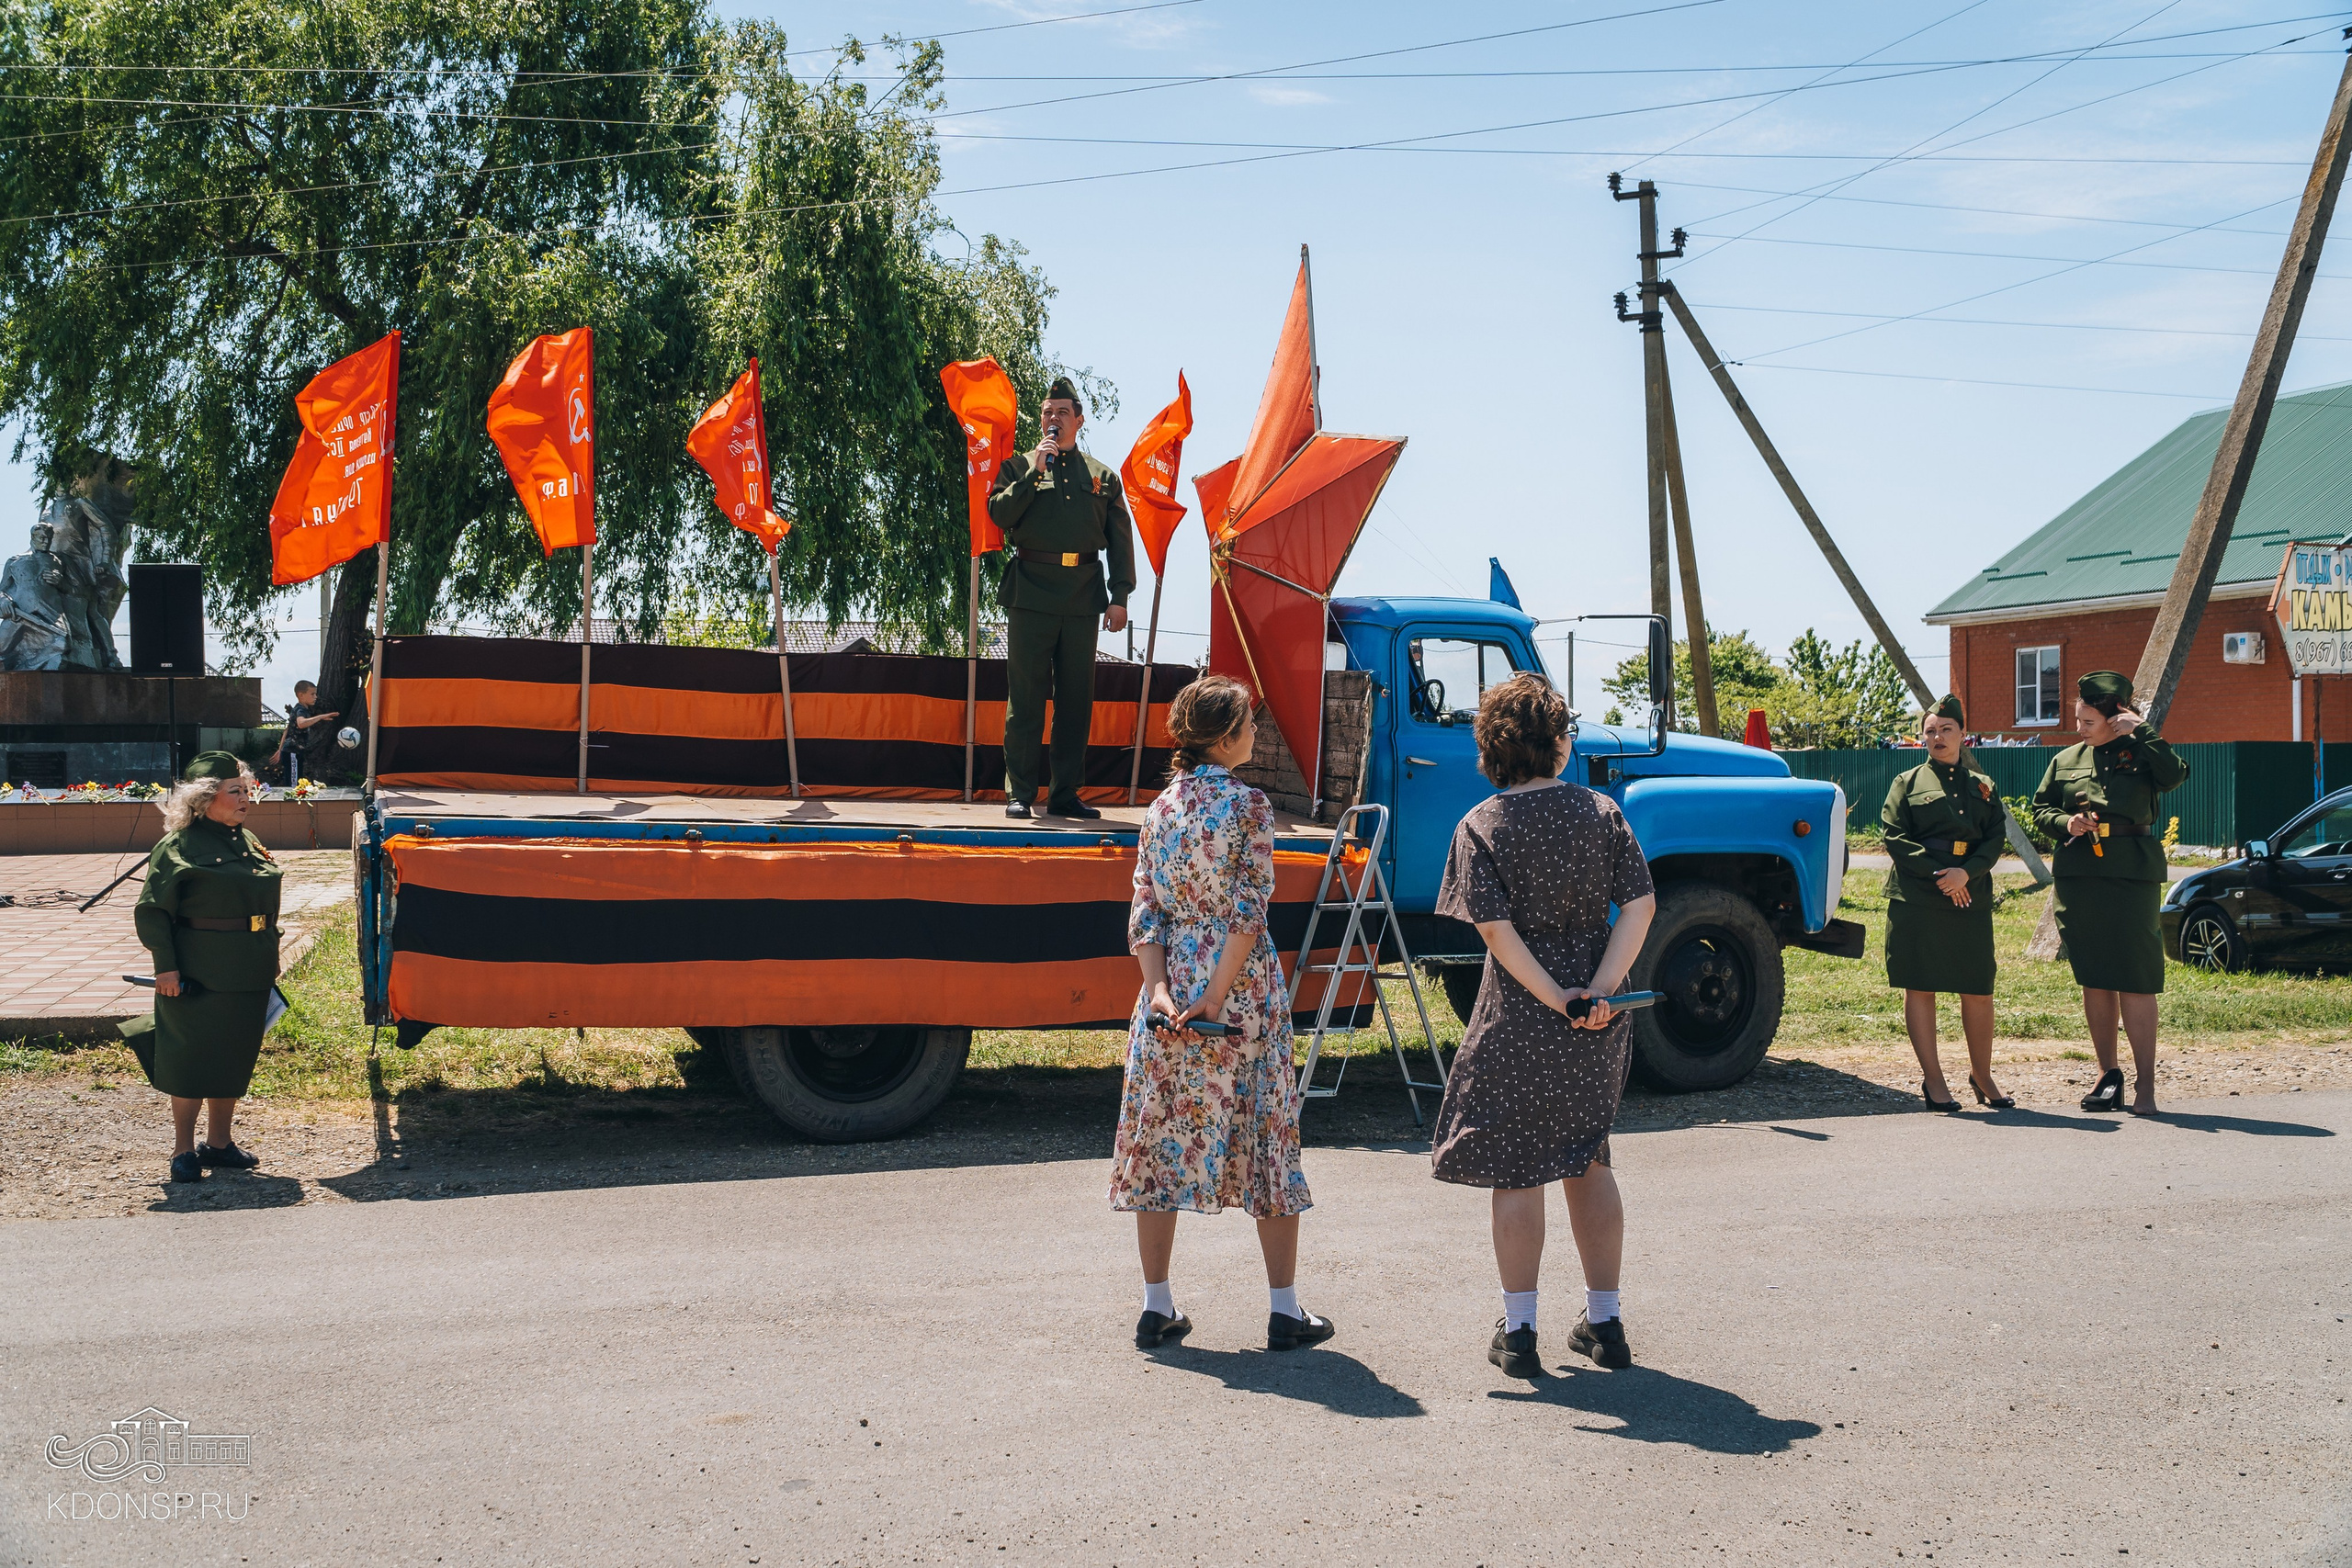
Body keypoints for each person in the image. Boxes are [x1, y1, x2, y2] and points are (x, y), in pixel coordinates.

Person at [1429, 672, 1657, 1378]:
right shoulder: (1602, 812)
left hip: (1520, 1016)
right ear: (1559, 745)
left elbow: (1496, 932)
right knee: (1590, 1158)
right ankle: (1606, 1319)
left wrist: (1556, 995)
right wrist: (1598, 991)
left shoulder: (1481, 825)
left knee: (1517, 1169)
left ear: (1494, 749)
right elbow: (1641, 907)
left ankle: (1519, 1330)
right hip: (1598, 1016)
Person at [1110, 674, 1331, 1353]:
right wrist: (1218, 991)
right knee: (1266, 1130)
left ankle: (1156, 1306)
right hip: (1237, 986)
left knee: (1160, 1130)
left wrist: (1160, 992)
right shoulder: (1251, 806)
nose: (1256, 735)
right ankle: (1284, 1310)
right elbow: (1248, 909)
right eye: (1249, 725)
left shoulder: (1159, 809)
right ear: (1227, 736)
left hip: (1171, 977)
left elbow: (1144, 906)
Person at [2030, 671, 2188, 1117]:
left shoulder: (2142, 752)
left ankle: (2146, 1085)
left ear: (2116, 717)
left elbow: (2175, 776)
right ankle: (2107, 1076)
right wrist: (2066, 824)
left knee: (2136, 977)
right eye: (2077, 720)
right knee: (2095, 975)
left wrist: (2144, 732)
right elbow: (2041, 809)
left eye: (2088, 722)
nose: (2080, 729)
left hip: (2131, 874)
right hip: (2080, 876)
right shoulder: (2065, 760)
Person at [121, 752, 284, 1183]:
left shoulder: (246, 840)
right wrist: (166, 969)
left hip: (249, 968)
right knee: (190, 1057)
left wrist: (271, 954)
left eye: (246, 789)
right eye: (235, 791)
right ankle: (182, 1151)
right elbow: (153, 911)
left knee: (233, 1054)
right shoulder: (179, 846)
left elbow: (265, 907)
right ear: (205, 799)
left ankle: (219, 1144)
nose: (245, 798)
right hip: (199, 971)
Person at [985, 376, 1136, 820]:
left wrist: (1120, 595)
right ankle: (1020, 793)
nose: (1054, 420)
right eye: (1048, 413)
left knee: (1075, 701)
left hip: (1082, 598)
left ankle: (1065, 794)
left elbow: (1119, 539)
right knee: (1026, 699)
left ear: (1079, 420)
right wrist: (1036, 470)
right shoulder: (1018, 467)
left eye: (1062, 413)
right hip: (1030, 592)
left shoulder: (1102, 476)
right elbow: (1000, 513)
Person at [1881, 694, 2011, 1111]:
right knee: (1921, 985)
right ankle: (1934, 1082)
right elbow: (1894, 836)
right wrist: (1942, 875)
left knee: (1977, 986)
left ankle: (1982, 1074)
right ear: (1922, 738)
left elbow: (1994, 837)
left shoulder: (1982, 786)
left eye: (1946, 730)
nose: (1938, 737)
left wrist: (1965, 874)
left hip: (1968, 894)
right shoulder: (1907, 782)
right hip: (1919, 894)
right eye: (1930, 731)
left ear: (1962, 735)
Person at [270, 680, 340, 785]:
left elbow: (287, 730)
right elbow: (301, 723)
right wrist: (321, 717)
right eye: (312, 694)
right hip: (292, 752)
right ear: (301, 695)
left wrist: (280, 750)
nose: (315, 697)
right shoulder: (301, 710)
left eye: (315, 694)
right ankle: (292, 802)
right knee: (293, 784)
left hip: (294, 752)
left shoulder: (300, 709)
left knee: (296, 780)